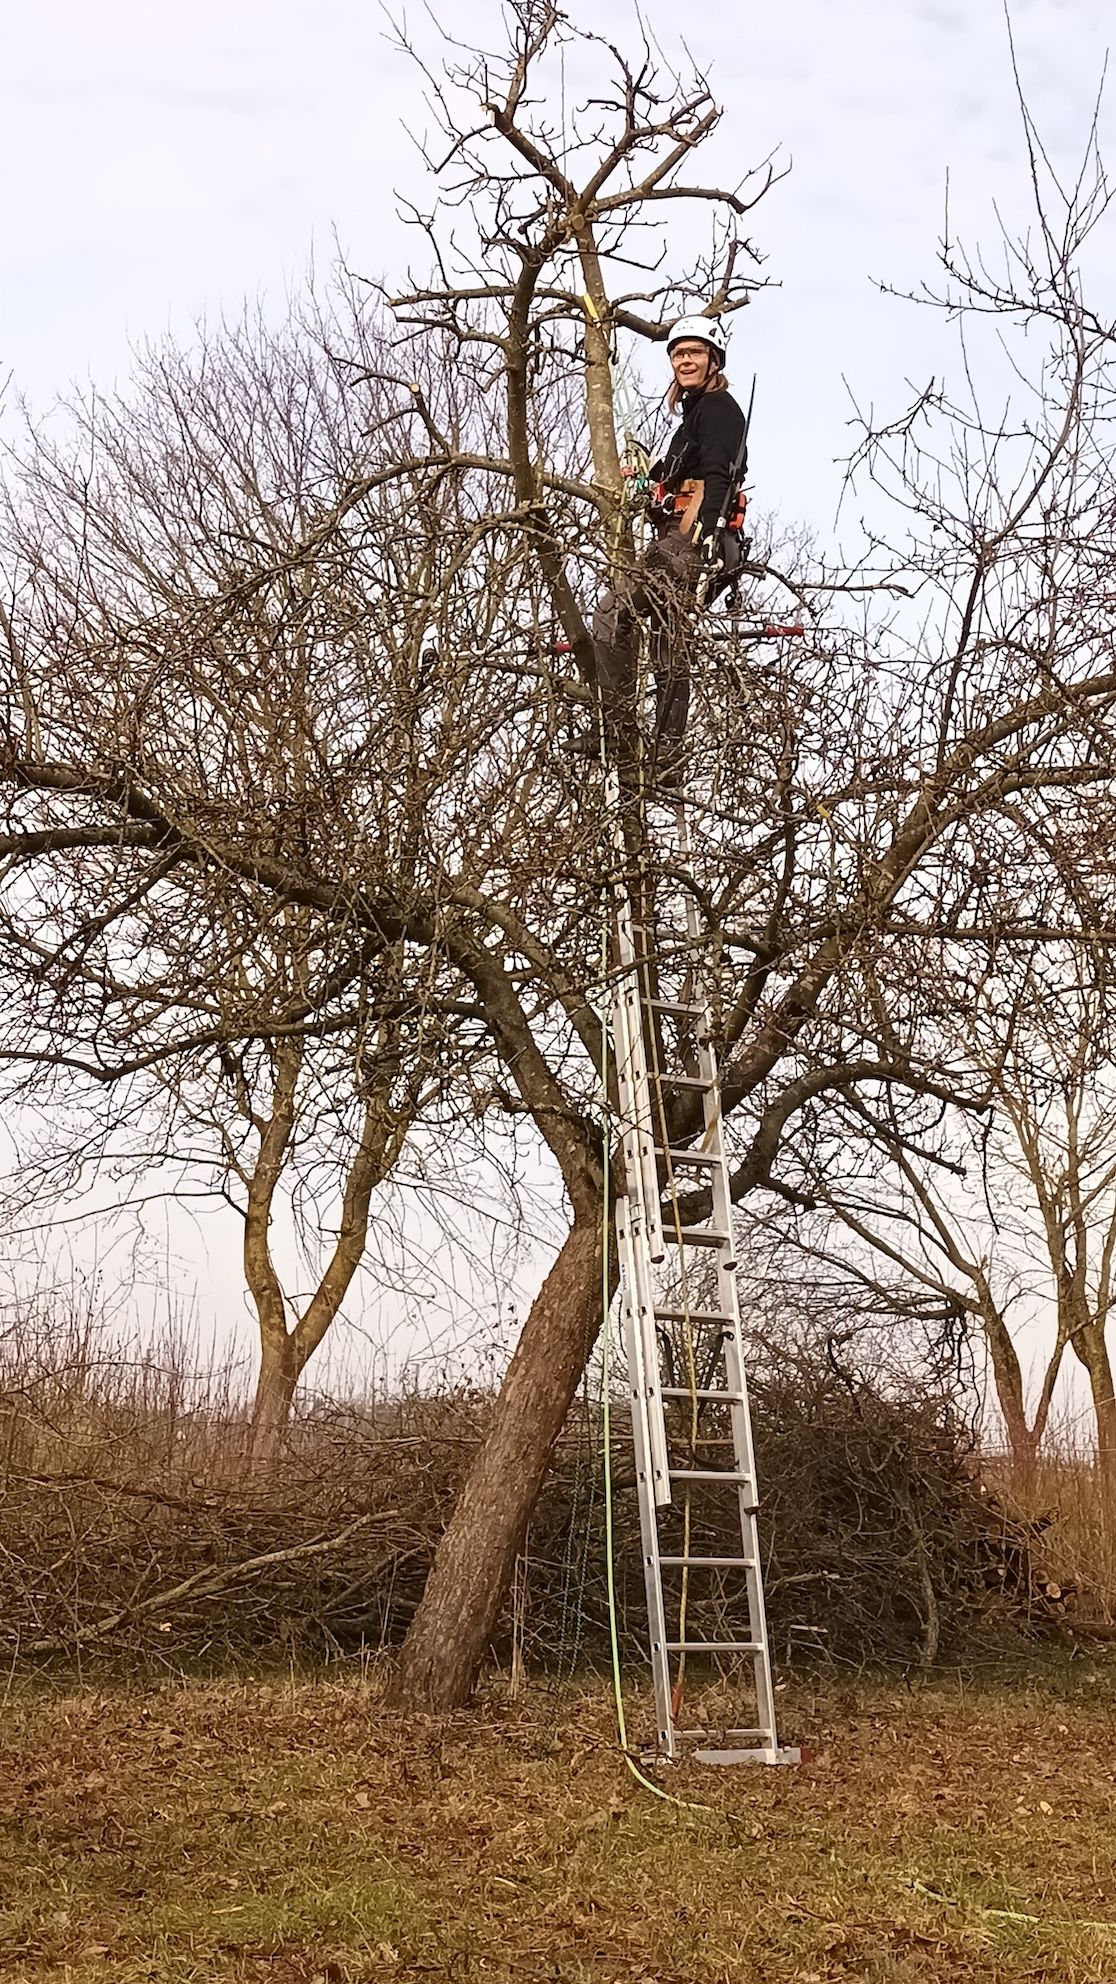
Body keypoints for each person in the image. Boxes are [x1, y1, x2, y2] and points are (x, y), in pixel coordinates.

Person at [567, 312, 747, 774]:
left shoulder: (719, 410)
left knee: (613, 611)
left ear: (713, 360)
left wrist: (702, 535)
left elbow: (719, 476)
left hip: (692, 542)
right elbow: (684, 477)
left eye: (694, 353)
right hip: (683, 539)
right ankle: (666, 755)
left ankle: (617, 726)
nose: (685, 361)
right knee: (669, 641)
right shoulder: (692, 417)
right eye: (679, 354)